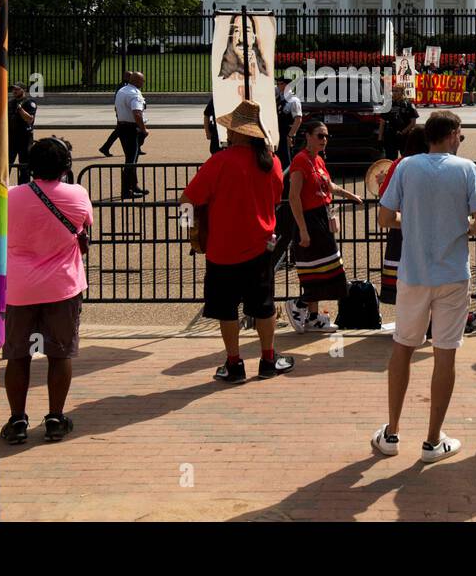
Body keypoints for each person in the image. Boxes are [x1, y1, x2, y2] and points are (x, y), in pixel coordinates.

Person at [372, 110, 476, 462]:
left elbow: (384, 217)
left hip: (413, 274)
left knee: (402, 349)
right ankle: (432, 438)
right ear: (452, 134)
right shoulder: (467, 169)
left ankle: (392, 432)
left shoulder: (407, 167)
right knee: (445, 353)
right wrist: (460, 226)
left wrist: (413, 222)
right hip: (452, 274)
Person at [179, 99, 295, 382]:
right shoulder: (273, 163)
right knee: (264, 306)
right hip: (261, 246)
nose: (227, 134)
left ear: (240, 133)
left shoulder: (218, 162)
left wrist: (189, 230)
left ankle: (234, 363)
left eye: (231, 129)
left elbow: (187, 200)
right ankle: (268, 359)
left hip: (222, 249)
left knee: (226, 309)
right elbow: (276, 198)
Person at [1, 137, 92, 444]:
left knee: (17, 355)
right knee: (60, 353)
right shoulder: (77, 194)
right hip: (62, 285)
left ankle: (17, 420)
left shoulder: (11, 196)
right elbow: (84, 225)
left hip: (19, 287)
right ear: (66, 166)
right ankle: (55, 417)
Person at [285, 120, 362, 332]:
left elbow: (329, 186)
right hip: (309, 219)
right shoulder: (300, 161)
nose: (324, 140)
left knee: (320, 270)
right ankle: (298, 305)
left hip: (322, 217)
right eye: (320, 135)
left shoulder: (317, 160)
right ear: (308, 136)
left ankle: (312, 317)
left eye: (326, 136)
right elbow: (293, 197)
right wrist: (302, 229)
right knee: (325, 269)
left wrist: (350, 195)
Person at [377, 124, 429, 304]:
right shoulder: (435, 163)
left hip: (402, 224)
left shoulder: (400, 164)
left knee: (402, 281)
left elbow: (384, 195)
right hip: (426, 225)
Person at [100, 71, 148, 198]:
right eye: (142, 80)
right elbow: (137, 113)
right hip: (131, 128)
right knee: (131, 160)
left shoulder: (122, 90)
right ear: (137, 81)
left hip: (122, 126)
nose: (143, 82)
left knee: (132, 158)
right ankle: (126, 191)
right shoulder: (134, 94)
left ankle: (134, 186)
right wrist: (144, 129)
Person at [379, 85, 419, 161]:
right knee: (390, 159)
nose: (394, 93)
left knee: (406, 159)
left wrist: (403, 132)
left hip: (404, 135)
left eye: (397, 91)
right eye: (393, 91)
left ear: (402, 92)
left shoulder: (409, 104)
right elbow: (382, 122)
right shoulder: (388, 104)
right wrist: (380, 138)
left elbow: (413, 122)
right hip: (390, 135)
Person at [9, 81, 38, 185]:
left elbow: (30, 119)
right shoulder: (10, 103)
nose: (14, 91)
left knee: (24, 166)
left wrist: (20, 109)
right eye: (13, 89)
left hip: (24, 139)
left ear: (23, 90)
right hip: (11, 139)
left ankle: (24, 187)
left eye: (17, 89)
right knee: (6, 165)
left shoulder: (29, 103)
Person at [275, 75, 303, 168]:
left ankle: (288, 181)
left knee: (287, 160)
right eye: (278, 83)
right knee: (278, 159)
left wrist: (290, 136)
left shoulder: (293, 100)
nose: (278, 86)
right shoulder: (279, 98)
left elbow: (298, 119)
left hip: (286, 133)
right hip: (278, 133)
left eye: (281, 84)